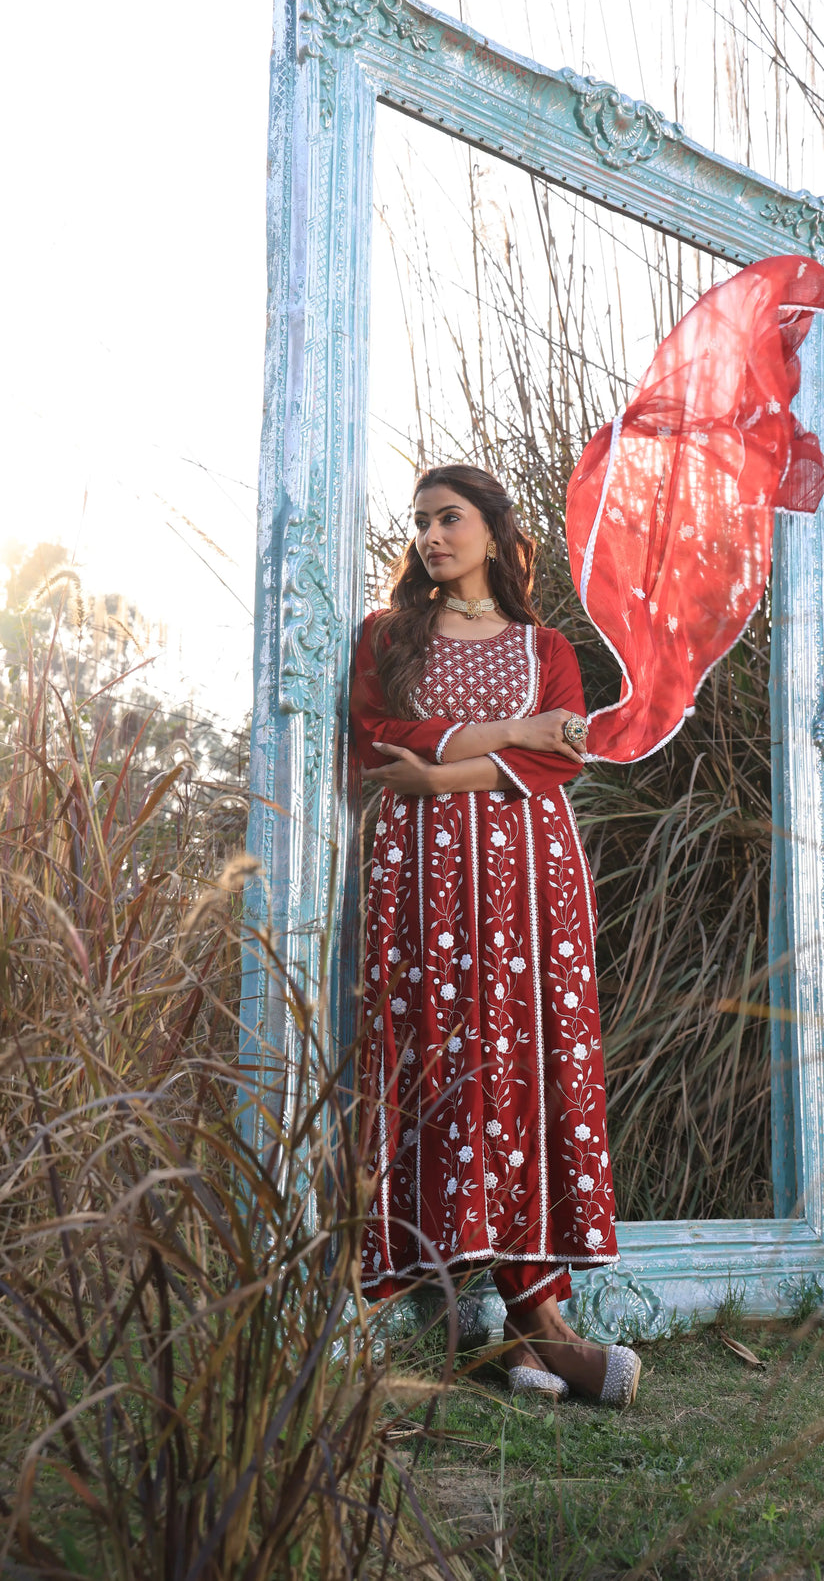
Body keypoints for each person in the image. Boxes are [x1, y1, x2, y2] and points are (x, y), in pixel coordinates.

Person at [350, 463, 641, 1407]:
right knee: (448, 1058)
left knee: (529, 1058)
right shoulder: (387, 636)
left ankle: (526, 1327)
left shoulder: (546, 643)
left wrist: (443, 771)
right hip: (425, 875)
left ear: (491, 529)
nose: (433, 536)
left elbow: (562, 756)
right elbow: (377, 735)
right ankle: (538, 1329)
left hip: (529, 874)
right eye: (422, 522)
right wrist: (509, 728)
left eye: (451, 518)